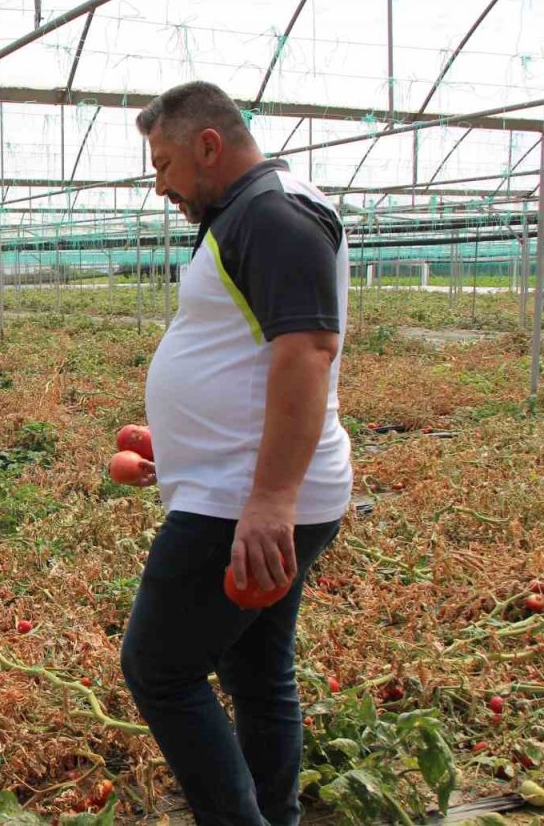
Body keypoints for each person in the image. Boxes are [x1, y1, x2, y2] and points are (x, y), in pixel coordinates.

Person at [119, 82, 353, 825]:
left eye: (163, 165)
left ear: (208, 146)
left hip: (242, 502)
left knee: (159, 667)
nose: (160, 185)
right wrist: (184, 444)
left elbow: (309, 350)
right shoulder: (249, 210)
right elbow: (252, 356)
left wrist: (271, 500)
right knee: (255, 670)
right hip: (236, 487)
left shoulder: (273, 212)